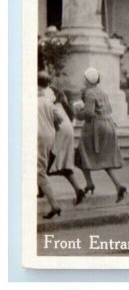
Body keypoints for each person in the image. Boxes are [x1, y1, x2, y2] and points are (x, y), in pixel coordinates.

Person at [75, 67, 127, 202]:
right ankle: (118, 185)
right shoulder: (102, 92)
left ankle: (89, 182)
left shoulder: (89, 93)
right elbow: (109, 109)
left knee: (81, 153)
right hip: (108, 124)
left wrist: (78, 113)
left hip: (95, 127)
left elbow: (89, 113)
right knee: (104, 157)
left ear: (86, 79)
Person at [45, 83, 85, 205]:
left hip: (59, 131)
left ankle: (42, 190)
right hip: (67, 131)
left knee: (46, 163)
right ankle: (78, 190)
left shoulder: (46, 97)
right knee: (63, 163)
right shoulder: (61, 105)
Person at [37, 72, 62, 219]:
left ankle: (54, 204)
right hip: (49, 135)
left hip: (37, 136)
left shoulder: (31, 99)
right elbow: (59, 119)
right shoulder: (47, 100)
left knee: (39, 171)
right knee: (40, 167)